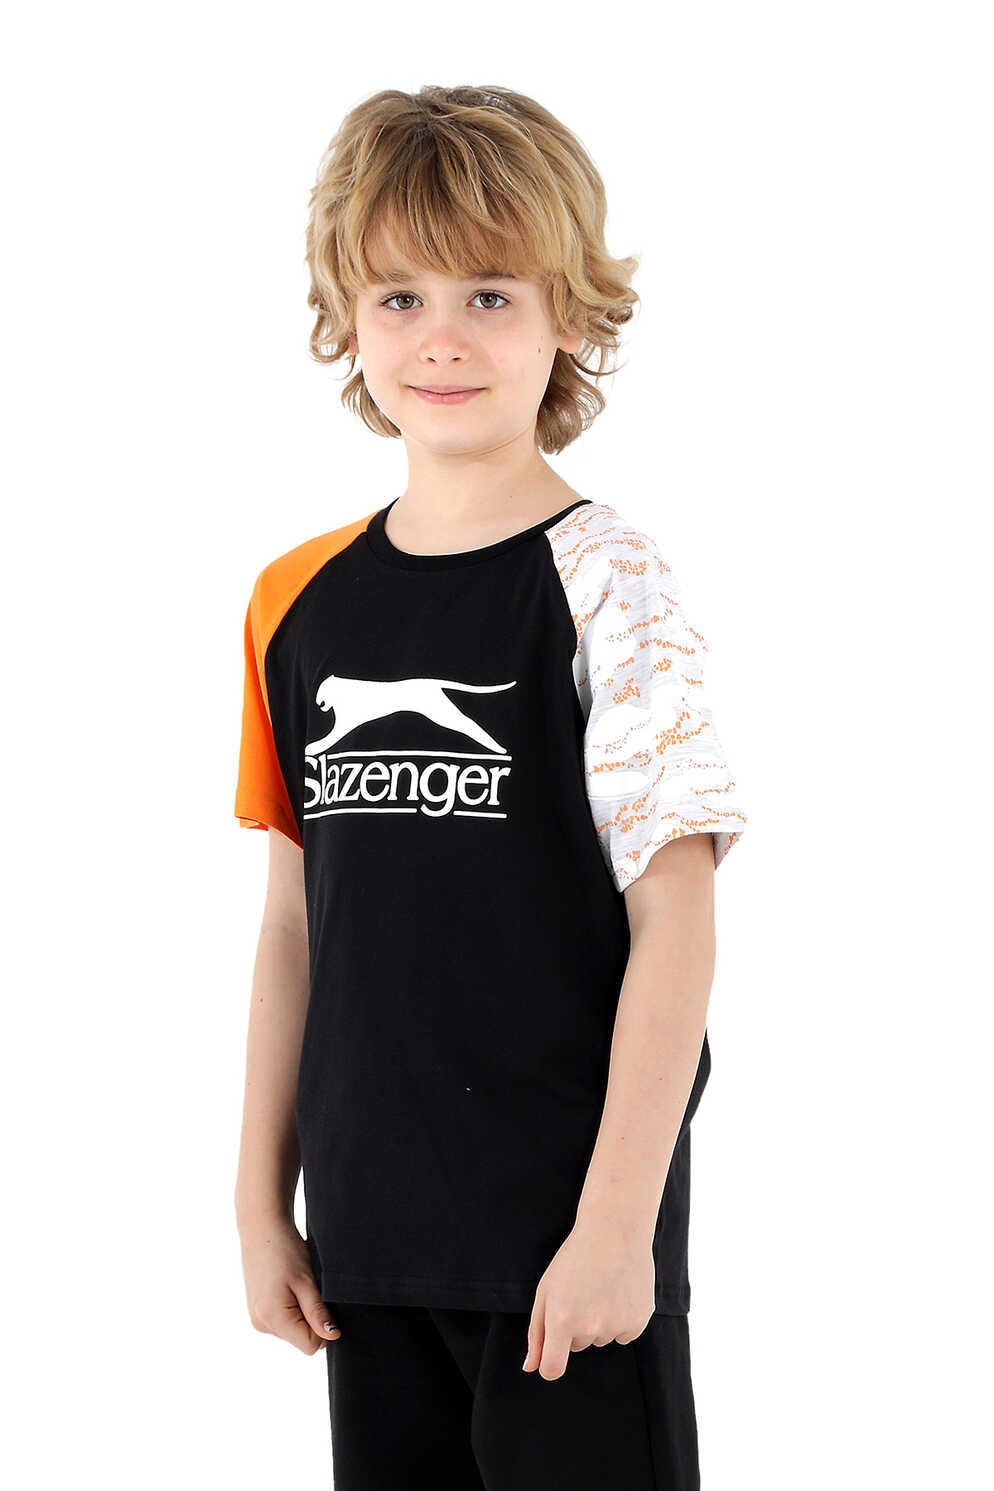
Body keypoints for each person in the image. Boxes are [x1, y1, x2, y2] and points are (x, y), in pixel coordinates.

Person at [233, 83, 748, 1491]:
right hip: (366, 1244)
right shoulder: (294, 600)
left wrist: (618, 1226)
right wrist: (259, 1204)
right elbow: (292, 927)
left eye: (489, 294)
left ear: (566, 314)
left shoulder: (610, 582)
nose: (442, 337)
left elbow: (677, 920)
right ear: (344, 319)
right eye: (398, 297)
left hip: (564, 1249)